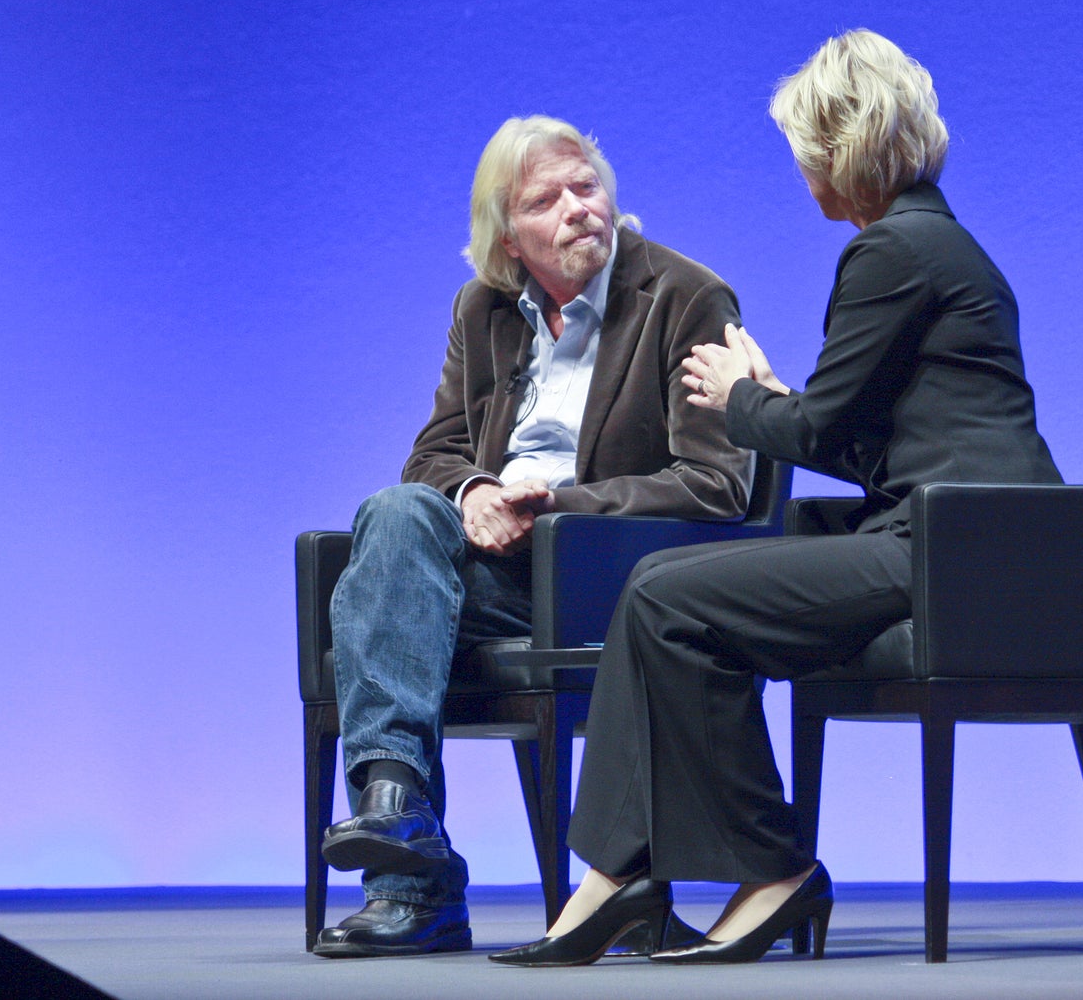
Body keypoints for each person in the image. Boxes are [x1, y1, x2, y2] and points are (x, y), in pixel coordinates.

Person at [491, 30, 1063, 968]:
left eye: (805, 152)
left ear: (844, 147)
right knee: (669, 594)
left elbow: (815, 434)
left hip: (950, 547)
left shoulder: (891, 254)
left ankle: (758, 873)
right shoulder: (935, 244)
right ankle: (618, 875)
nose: (802, 175)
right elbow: (861, 437)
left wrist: (738, 397)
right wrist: (776, 404)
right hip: (954, 534)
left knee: (669, 594)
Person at [314, 115, 753, 958]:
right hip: (485, 565)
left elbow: (716, 482)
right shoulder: (483, 310)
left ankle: (414, 888)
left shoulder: (684, 296)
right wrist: (476, 491)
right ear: (509, 238)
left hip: (602, 572)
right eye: (546, 200)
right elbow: (432, 452)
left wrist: (562, 504)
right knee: (397, 513)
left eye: (585, 188)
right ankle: (399, 818)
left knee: (388, 579)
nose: (576, 210)